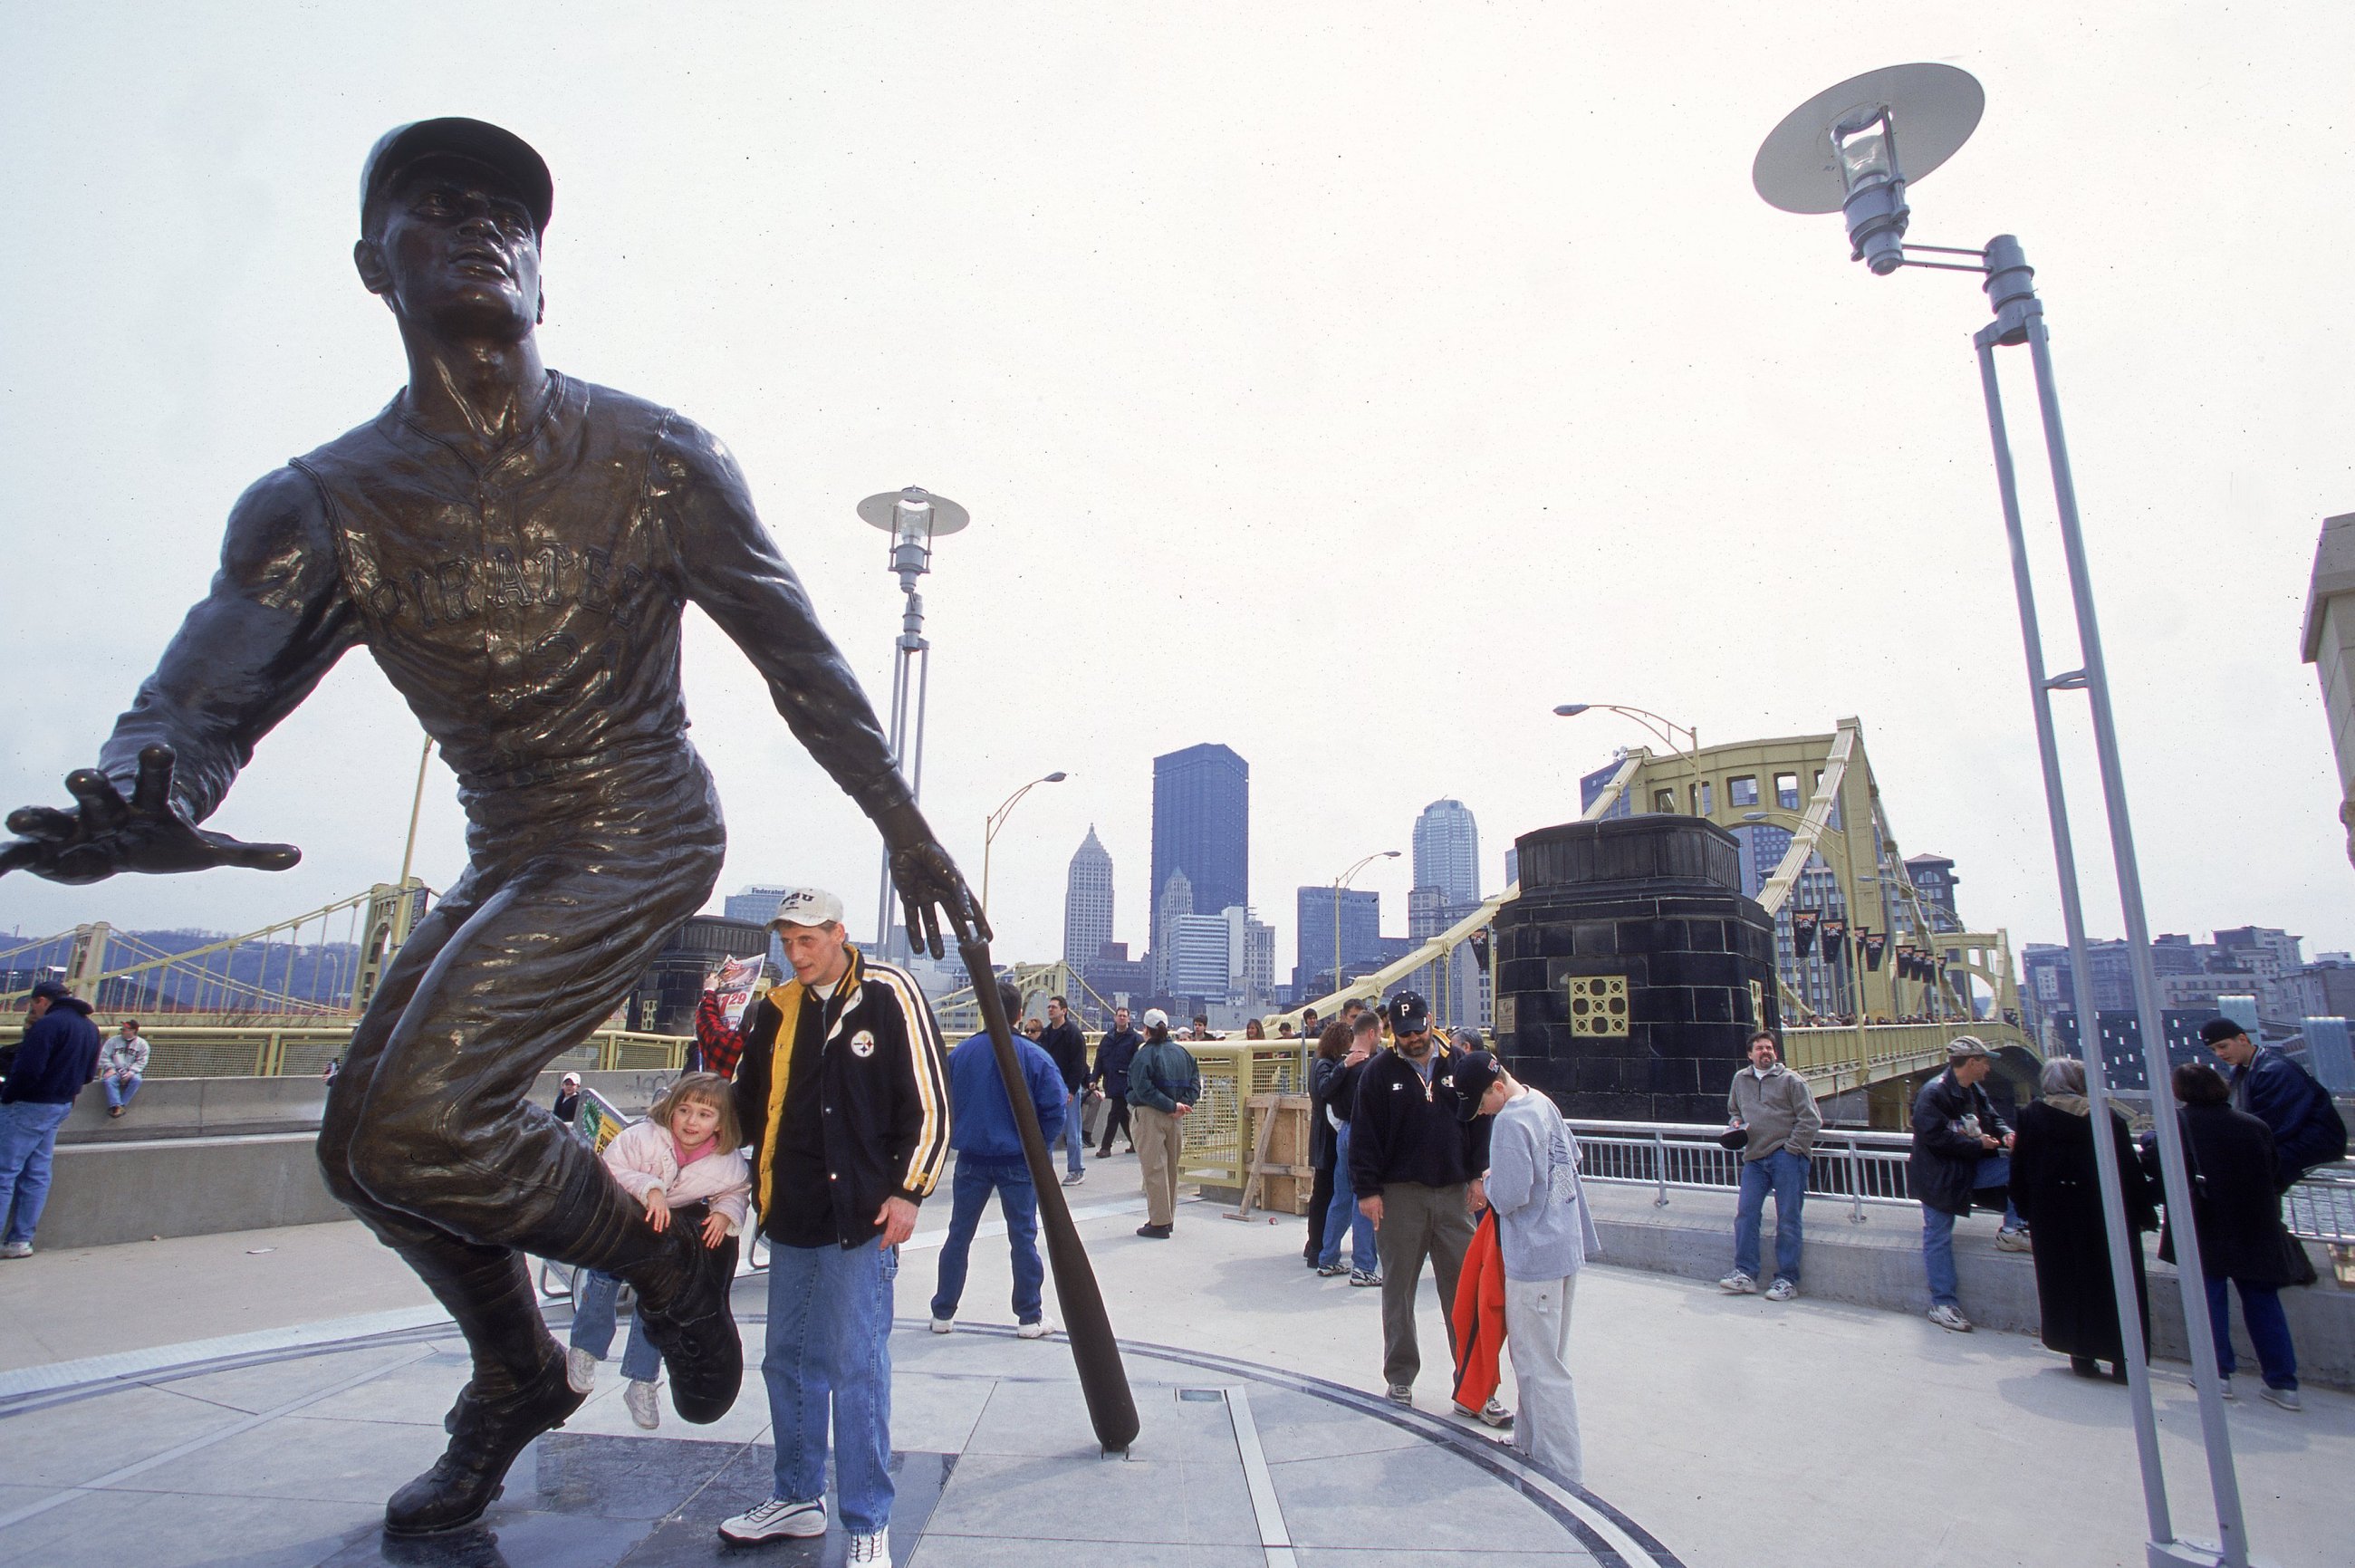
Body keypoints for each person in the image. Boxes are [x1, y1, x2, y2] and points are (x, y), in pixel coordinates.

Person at [0, 119, 983, 1536]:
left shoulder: (655, 456)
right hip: (511, 842)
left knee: (416, 1120)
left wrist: (907, 825)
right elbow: (202, 698)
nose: (485, 229)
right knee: (364, 1146)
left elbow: (803, 658)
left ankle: (660, 1266)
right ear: (369, 264)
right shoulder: (323, 503)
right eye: (437, 205)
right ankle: (522, 1369)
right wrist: (141, 793)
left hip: (642, 825)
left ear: (543, 276)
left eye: (513, 216)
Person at [719, 890, 953, 1558]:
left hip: (861, 1216)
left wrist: (910, 1190)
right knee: (788, 1361)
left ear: (839, 934)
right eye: (787, 942)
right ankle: (796, 1497)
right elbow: (747, 1100)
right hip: (790, 1210)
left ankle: (868, 1521)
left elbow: (933, 1101)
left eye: (808, 941)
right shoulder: (776, 1008)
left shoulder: (888, 991)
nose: (795, 955)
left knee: (856, 1366)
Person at [566, 1073, 748, 1429]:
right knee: (603, 1278)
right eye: (685, 1110)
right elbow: (610, 1168)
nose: (692, 1121)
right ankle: (585, 1349)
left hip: (661, 1235)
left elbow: (737, 1189)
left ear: (720, 1123)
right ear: (671, 1109)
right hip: (623, 1220)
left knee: (656, 1305)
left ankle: (642, 1380)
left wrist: (726, 1214)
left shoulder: (725, 1160)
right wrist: (649, 1188)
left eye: (705, 1114)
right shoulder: (643, 1137)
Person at [1351, 991, 1497, 1419]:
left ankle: (1475, 1387)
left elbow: (1479, 1125)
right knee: (1398, 1292)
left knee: (1465, 1294)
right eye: (1404, 1032)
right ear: (1391, 1030)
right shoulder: (1378, 1074)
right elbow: (1364, 1137)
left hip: (1454, 1195)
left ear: (1431, 1021)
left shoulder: (1458, 1067)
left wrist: (1478, 1177)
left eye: (1419, 1030)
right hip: (1400, 1197)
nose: (1413, 1039)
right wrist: (1367, 1192)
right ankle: (1400, 1378)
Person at [1457, 1052, 1597, 1481]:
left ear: (1497, 1087)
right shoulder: (1543, 1103)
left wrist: (1489, 1177)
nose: (1480, 1112)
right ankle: (1530, 1445)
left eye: (1480, 1103)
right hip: (1565, 1243)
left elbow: (1511, 1195)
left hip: (1533, 1256)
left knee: (1538, 1364)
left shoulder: (1510, 1123)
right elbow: (1570, 1159)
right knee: (1545, 1356)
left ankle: (1559, 1466)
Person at [2152, 1062, 2305, 1409]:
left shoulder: (2177, 1125)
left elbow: (2161, 1171)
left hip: (2203, 1224)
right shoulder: (2255, 1125)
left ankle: (2216, 1374)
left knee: (2209, 1301)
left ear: (2181, 1092)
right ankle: (2284, 1383)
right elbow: (2275, 1173)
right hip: (2256, 1224)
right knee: (2264, 1301)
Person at [930, 979, 1065, 1337]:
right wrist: (1038, 1146)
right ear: (1020, 1014)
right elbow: (1055, 1112)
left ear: (982, 1012)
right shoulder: (1036, 1057)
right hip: (1018, 1159)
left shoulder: (959, 1055)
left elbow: (943, 1103)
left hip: (971, 1157)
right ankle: (1029, 1317)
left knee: (958, 1234)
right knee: (1023, 1236)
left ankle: (943, 1312)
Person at [2007, 1057, 2154, 1381]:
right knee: (2116, 1283)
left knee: (2065, 1282)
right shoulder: (2104, 1117)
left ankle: (2080, 1354)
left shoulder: (2030, 1117)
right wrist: (2143, 1213)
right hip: (2103, 1215)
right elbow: (2127, 1170)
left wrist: (2027, 1209)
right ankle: (2124, 1359)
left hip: (2053, 1215)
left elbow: (2019, 1170)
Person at [1909, 1037, 2020, 1332]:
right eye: (1985, 1061)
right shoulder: (1932, 1093)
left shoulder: (1973, 1089)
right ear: (1971, 1062)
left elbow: (1993, 1116)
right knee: (1938, 1235)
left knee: (2019, 1167)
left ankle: (2012, 1229)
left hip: (1964, 1169)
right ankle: (1943, 1303)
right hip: (1939, 1177)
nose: (1988, 1067)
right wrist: (1978, 1144)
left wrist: (2007, 1133)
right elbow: (1934, 1137)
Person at [0, 981, 103, 1255]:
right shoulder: (90, 1028)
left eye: (33, 1004)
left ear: (41, 1000)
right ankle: (20, 1240)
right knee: (37, 1173)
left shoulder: (47, 1026)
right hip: (60, 1105)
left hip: (28, 1105)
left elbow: (28, 1070)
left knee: (4, 1173)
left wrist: (8, 1095)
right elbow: (88, 1075)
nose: (32, 1009)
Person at [1719, 1030, 1821, 1302]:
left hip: (1786, 1157)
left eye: (1770, 1048)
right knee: (1746, 1215)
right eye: (1760, 1048)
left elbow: (1810, 1119)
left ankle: (1787, 1280)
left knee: (1788, 1219)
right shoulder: (1740, 1080)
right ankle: (1745, 1273)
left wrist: (1792, 1148)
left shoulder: (1792, 1081)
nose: (1766, 1052)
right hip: (1754, 1157)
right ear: (1750, 1054)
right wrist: (1736, 1125)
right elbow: (1734, 1111)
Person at [2202, 1017, 2346, 1191]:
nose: (2219, 1054)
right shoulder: (2249, 1070)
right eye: (2213, 1049)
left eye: (2223, 1046)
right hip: (2299, 1139)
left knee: (2249, 1171)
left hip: (2316, 1141)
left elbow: (2272, 1124)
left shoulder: (2274, 1070)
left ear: (2242, 1039)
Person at [1317, 1014, 1381, 1284]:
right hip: (1365, 1134)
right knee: (1365, 1199)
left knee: (1341, 1197)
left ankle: (1328, 1258)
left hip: (1344, 1131)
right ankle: (1364, 1267)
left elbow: (1325, 1093)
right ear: (1371, 1033)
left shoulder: (1341, 1063)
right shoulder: (1373, 1067)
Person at [1127, 1008, 1199, 1238]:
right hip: (1177, 1117)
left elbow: (1143, 1089)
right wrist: (1181, 1105)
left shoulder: (1143, 1055)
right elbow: (1195, 1082)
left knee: (1154, 1169)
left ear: (1145, 1029)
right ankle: (1168, 1218)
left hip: (1150, 1115)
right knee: (1171, 1169)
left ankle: (1158, 1222)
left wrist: (1169, 1105)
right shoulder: (1183, 1053)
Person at [1303, 1021, 1349, 1269]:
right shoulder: (1326, 1064)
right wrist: (1344, 1067)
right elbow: (1324, 1088)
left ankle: (1314, 1245)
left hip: (1322, 1135)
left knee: (1321, 1193)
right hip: (1327, 1136)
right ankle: (1318, 1247)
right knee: (1324, 1193)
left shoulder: (1319, 1061)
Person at [1037, 996, 1089, 1188]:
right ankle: (1046, 1171)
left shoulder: (1073, 1034)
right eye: (1049, 1007)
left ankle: (1076, 1170)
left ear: (1064, 1011)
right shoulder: (1046, 1034)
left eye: (1054, 1007)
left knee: (1073, 1131)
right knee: (1045, 1131)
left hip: (1067, 1089)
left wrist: (1072, 1089)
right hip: (1050, 1088)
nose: (1050, 1010)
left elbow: (1079, 1064)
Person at [1090, 1006, 1142, 1159]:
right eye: (1119, 1015)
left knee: (1114, 1113)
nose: (1122, 1018)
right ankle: (1135, 1142)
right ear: (1115, 1018)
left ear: (1129, 1019)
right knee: (1122, 1114)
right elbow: (1099, 1059)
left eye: (1124, 1016)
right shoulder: (1108, 1037)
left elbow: (1138, 1062)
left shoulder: (1135, 1039)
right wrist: (1094, 1078)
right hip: (1111, 1080)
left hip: (1125, 1082)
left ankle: (1106, 1147)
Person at [99, 1020, 151, 1119]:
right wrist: (110, 1068)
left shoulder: (142, 1044)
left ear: (133, 1031)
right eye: (122, 1029)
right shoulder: (113, 1041)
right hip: (115, 1070)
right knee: (109, 1081)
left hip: (132, 1071)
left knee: (137, 1080)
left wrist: (132, 1072)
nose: (122, 1031)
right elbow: (104, 1056)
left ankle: (122, 1105)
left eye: (125, 1029)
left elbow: (142, 1061)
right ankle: (116, 1105)